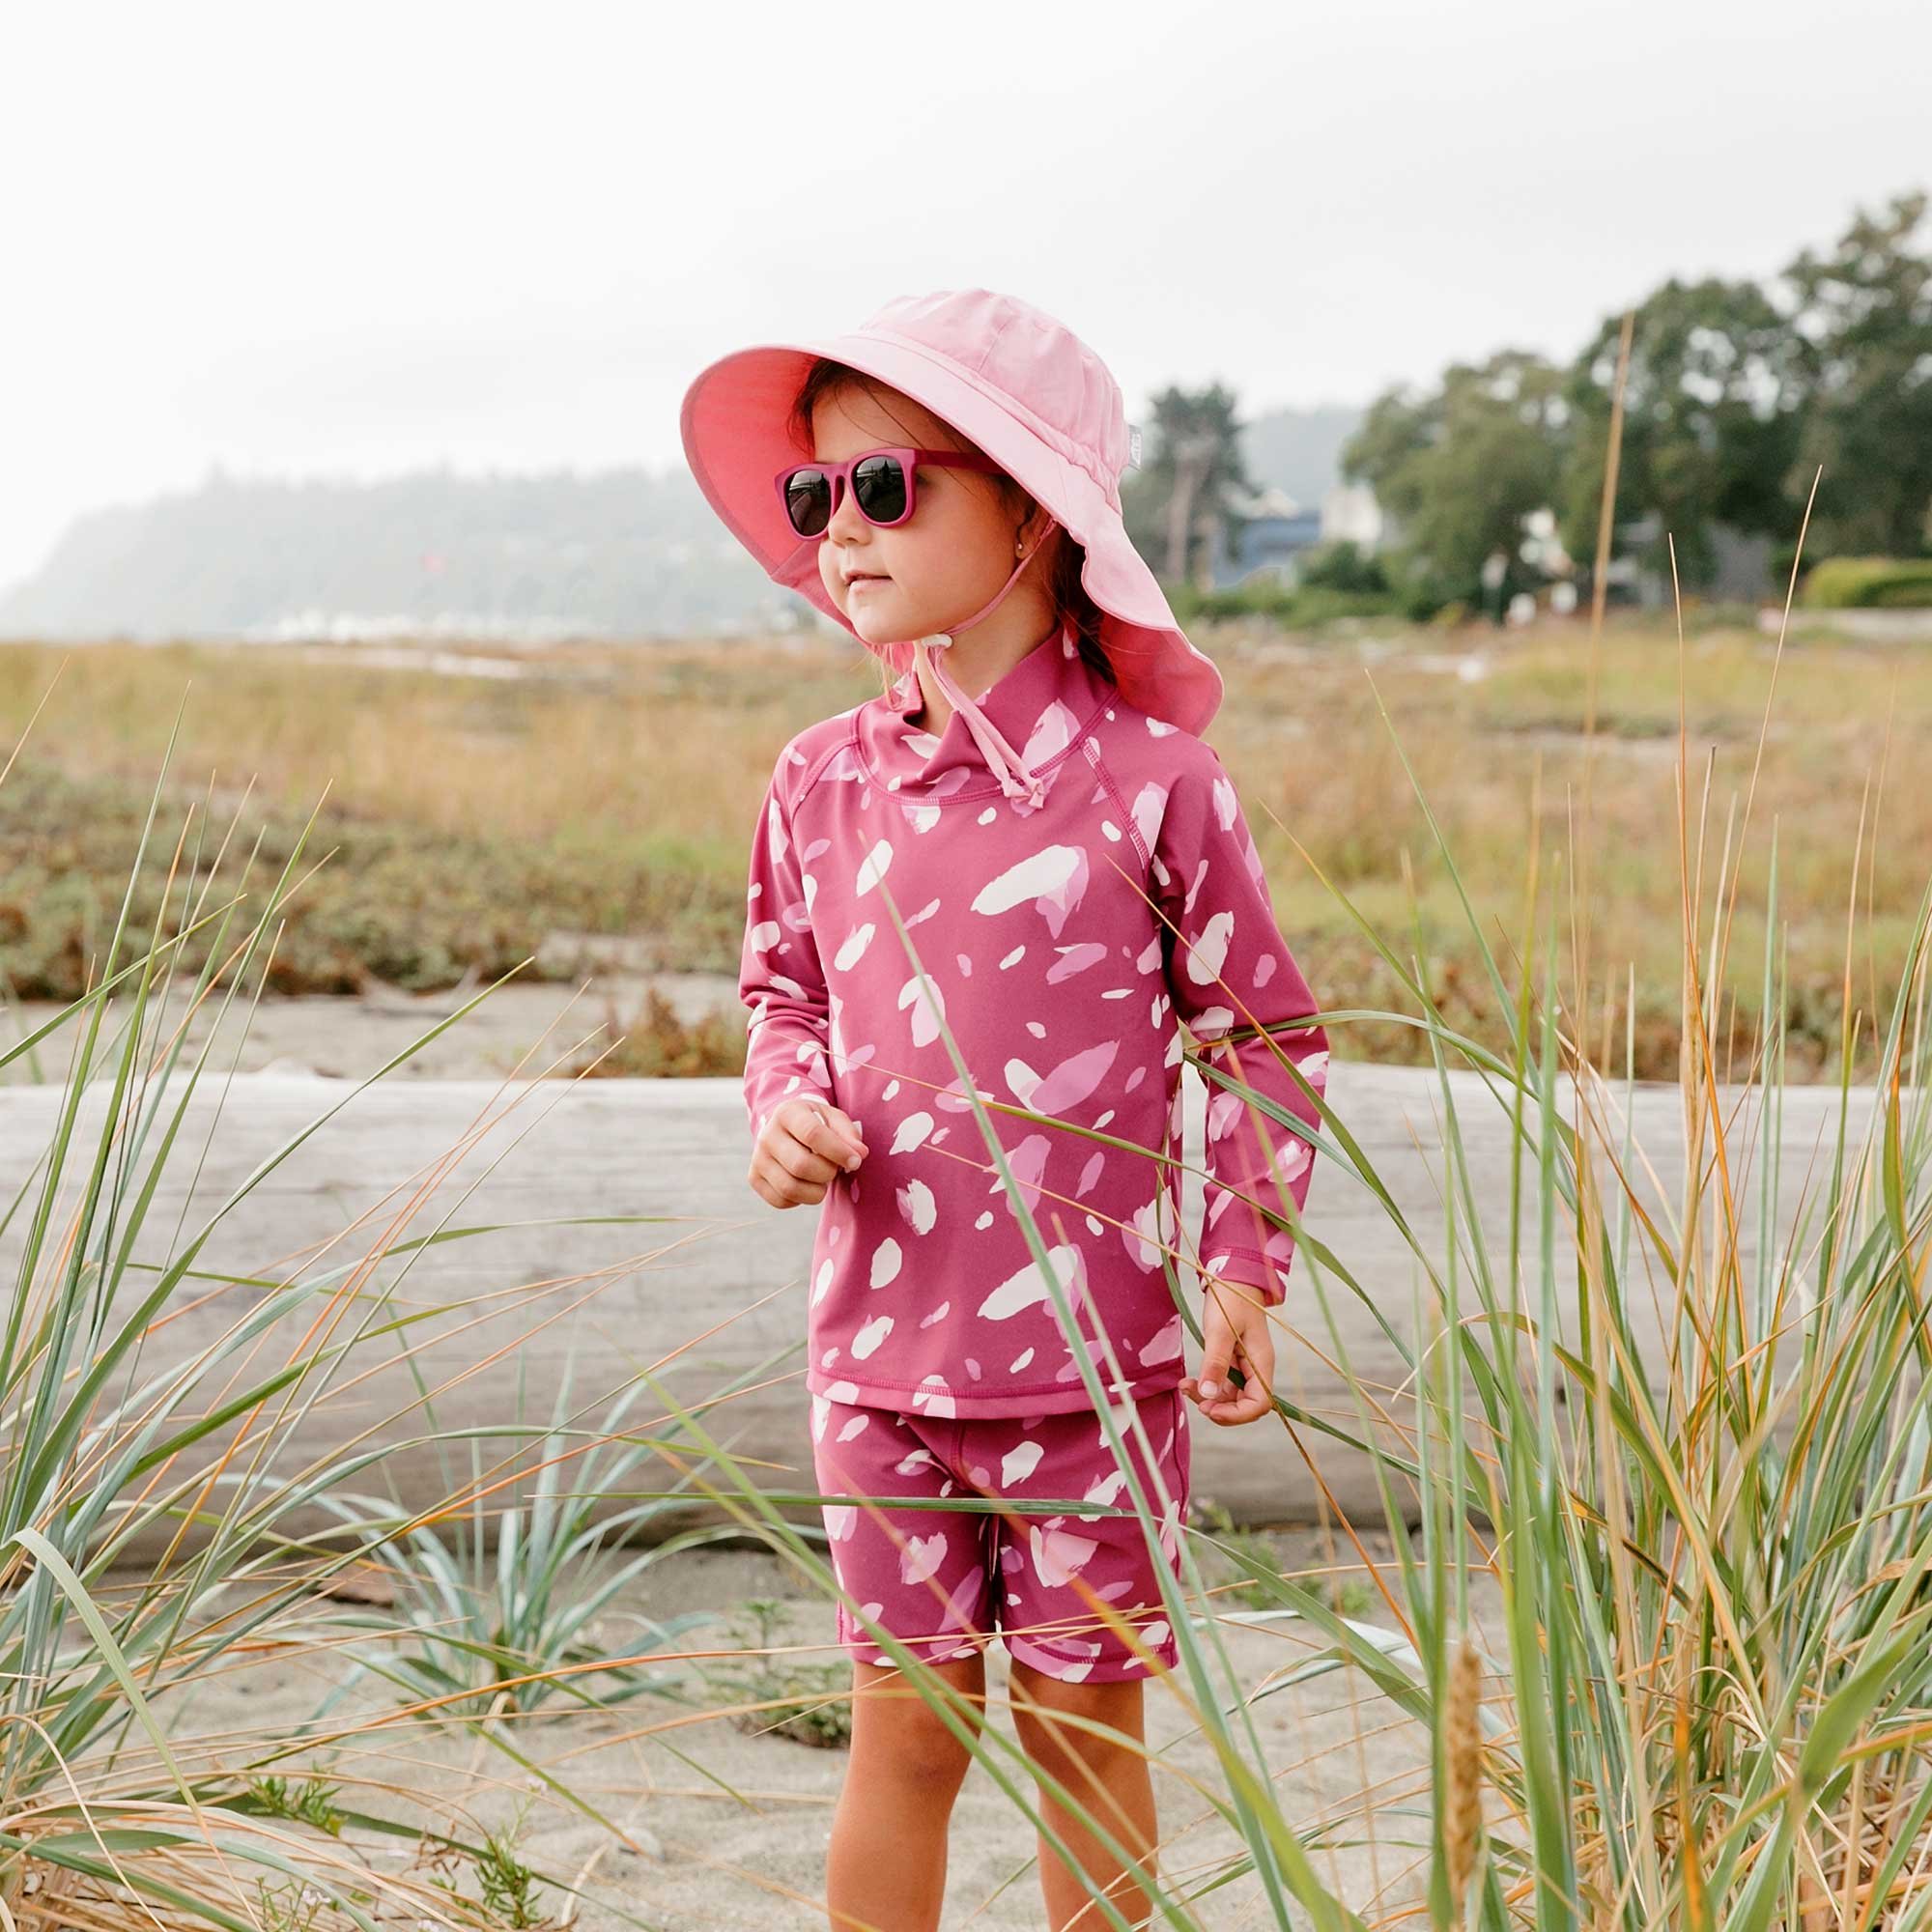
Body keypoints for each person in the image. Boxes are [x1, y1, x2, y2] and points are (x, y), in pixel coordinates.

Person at [680, 287, 1329, 1931]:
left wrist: (1242, 1262)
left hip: (1095, 1374)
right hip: (878, 1364)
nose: (840, 529)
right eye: (814, 495)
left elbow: (1259, 1034)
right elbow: (784, 997)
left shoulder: (1156, 785)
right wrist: (785, 1105)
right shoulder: (820, 781)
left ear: (1034, 512)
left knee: (1081, 1734)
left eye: (885, 486)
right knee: (906, 1733)